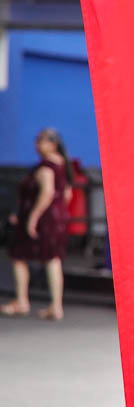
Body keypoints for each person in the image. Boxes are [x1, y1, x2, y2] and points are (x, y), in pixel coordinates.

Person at [1, 128, 73, 320]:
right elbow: (67, 194)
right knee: (52, 259)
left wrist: (33, 217)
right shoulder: (63, 165)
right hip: (57, 218)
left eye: (41, 140)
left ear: (53, 144)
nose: (37, 144)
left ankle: (22, 300)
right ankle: (55, 305)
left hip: (43, 219)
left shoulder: (46, 168)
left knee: (19, 256)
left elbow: (47, 193)